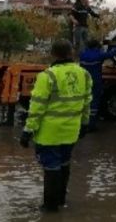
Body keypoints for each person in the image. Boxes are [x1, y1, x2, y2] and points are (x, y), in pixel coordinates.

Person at [19, 40, 92, 212]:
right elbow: (87, 102)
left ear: (53, 54)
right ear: (71, 53)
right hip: (71, 132)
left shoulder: (48, 76)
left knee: (51, 167)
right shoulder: (84, 74)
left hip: (49, 134)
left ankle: (50, 207)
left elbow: (36, 106)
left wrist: (27, 131)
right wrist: (85, 123)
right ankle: (60, 200)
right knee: (65, 164)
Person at [79, 39, 116, 131]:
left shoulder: (82, 54)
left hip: (83, 82)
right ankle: (91, 126)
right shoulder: (99, 55)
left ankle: (82, 124)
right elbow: (112, 53)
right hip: (95, 82)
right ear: (96, 47)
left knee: (84, 102)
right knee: (94, 103)